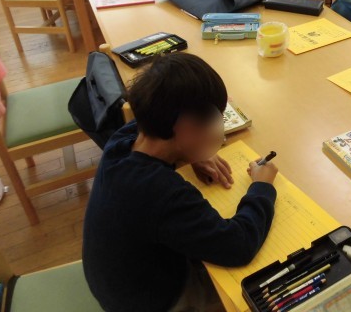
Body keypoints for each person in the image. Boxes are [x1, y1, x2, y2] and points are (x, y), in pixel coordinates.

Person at [82, 53, 278, 312]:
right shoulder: (161, 192)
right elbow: (238, 245)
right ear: (185, 128)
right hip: (150, 302)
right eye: (213, 120)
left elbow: (168, 140)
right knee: (247, 295)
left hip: (117, 278)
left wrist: (189, 155)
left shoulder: (123, 139)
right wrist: (262, 187)